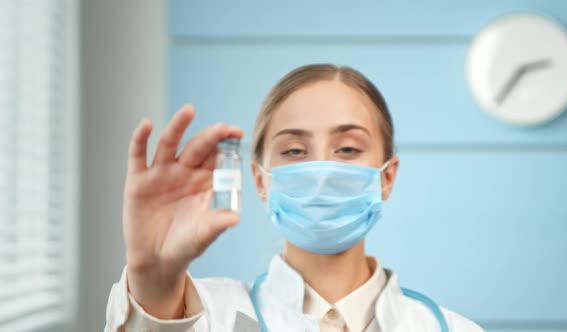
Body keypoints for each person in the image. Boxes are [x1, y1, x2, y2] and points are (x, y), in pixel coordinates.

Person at [104, 64, 484, 332]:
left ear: (386, 178)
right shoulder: (204, 317)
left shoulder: (450, 328)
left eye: (348, 150)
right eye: (295, 152)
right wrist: (153, 277)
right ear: (260, 180)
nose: (320, 173)